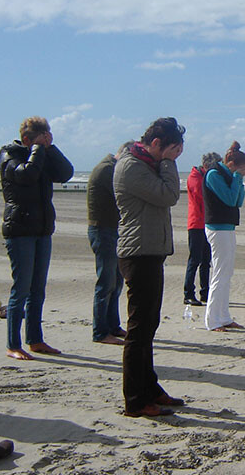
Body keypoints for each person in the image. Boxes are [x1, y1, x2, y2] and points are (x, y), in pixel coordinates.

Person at [114, 117, 186, 417]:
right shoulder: (132, 167)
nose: (173, 155)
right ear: (156, 144)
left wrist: (165, 161)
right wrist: (168, 163)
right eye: (171, 149)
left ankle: (150, 388)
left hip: (150, 251)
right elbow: (169, 196)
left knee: (148, 327)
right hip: (138, 252)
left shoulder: (144, 163)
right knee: (139, 329)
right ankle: (135, 400)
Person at [0, 116, 74, 360]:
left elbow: (65, 173)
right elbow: (27, 175)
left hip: (42, 229)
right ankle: (13, 344)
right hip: (19, 229)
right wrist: (39, 150)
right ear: (27, 139)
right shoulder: (9, 155)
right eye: (39, 138)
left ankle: (35, 339)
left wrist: (51, 149)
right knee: (21, 288)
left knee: (37, 289)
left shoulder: (41, 156)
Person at [86, 141, 134, 345]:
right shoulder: (107, 170)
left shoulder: (111, 168)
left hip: (111, 230)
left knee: (116, 282)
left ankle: (113, 325)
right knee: (105, 283)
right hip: (102, 230)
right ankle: (100, 331)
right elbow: (124, 195)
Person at [203, 141, 245, 332]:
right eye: (242, 170)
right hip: (217, 227)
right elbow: (229, 199)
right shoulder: (214, 174)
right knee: (219, 274)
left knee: (226, 273)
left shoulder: (230, 176)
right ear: (232, 165)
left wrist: (239, 181)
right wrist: (237, 178)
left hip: (228, 227)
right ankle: (212, 320)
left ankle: (224, 316)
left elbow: (237, 201)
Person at [183, 153, 220, 306]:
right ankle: (188, 293)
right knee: (195, 260)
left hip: (206, 223)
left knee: (206, 261)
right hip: (196, 224)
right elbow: (203, 198)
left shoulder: (203, 177)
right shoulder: (196, 178)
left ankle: (205, 292)